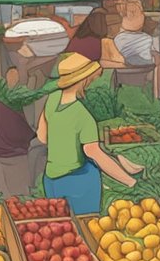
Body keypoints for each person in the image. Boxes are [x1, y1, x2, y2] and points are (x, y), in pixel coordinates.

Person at [37, 54, 142, 214]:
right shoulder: (82, 115)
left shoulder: (52, 98)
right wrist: (130, 181)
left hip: (51, 181)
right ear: (84, 80)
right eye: (91, 80)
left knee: (63, 228)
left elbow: (42, 137)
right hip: (76, 183)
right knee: (86, 227)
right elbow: (94, 153)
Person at [0, 67, 37, 197]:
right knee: (17, 200)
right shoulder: (5, 101)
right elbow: (16, 131)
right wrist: (33, 137)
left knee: (8, 199)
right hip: (13, 156)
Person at [113, 0, 160, 96]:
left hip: (123, 73)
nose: (142, 17)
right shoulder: (146, 38)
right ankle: (159, 94)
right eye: (139, 14)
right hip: (142, 71)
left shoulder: (117, 39)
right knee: (159, 59)